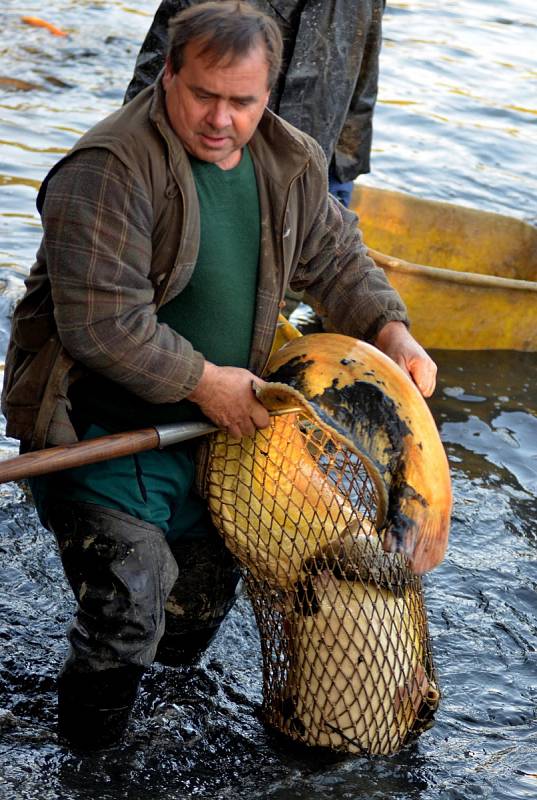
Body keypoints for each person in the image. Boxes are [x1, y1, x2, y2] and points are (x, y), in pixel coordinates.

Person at [1, 1, 436, 751]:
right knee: (132, 601)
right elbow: (102, 326)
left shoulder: (290, 158)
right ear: (167, 72)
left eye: (242, 101)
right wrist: (205, 381)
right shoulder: (107, 169)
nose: (220, 119)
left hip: (218, 432)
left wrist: (388, 329)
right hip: (103, 427)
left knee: (193, 615)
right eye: (203, 94)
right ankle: (87, 762)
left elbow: (336, 261)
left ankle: (159, 721)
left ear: (267, 94)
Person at [125, 0, 386, 210]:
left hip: (320, 166)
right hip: (211, 163)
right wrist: (139, 164)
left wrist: (344, 168)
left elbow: (364, 67)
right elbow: (155, 77)